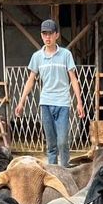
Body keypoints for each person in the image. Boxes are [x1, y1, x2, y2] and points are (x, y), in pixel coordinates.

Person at [15, 19, 86, 166]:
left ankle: (65, 171)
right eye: (44, 34)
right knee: (51, 144)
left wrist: (79, 102)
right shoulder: (37, 57)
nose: (47, 37)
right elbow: (30, 80)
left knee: (63, 142)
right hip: (46, 103)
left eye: (50, 34)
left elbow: (73, 79)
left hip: (63, 103)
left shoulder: (66, 55)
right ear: (41, 35)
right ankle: (52, 171)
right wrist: (21, 102)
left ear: (57, 35)